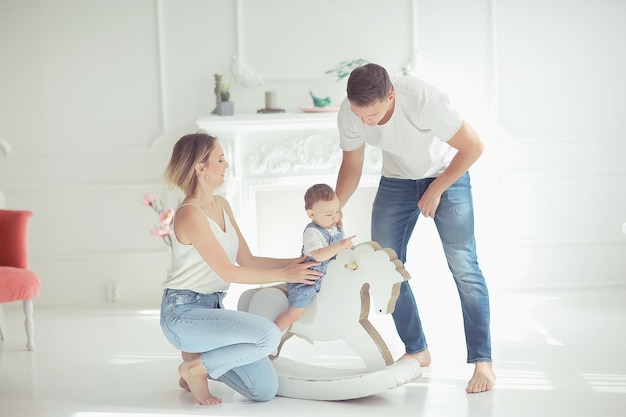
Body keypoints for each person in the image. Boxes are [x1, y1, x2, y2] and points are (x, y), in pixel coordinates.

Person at [334, 63, 495, 393]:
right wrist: (335, 207)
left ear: (391, 95)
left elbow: (473, 146)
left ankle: (483, 362)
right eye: (359, 115)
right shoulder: (350, 112)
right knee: (385, 265)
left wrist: (436, 189)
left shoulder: (424, 100)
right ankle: (417, 349)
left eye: (373, 115)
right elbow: (352, 164)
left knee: (464, 266)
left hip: (446, 174)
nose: (365, 122)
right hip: (396, 180)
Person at [159, 133, 322, 405]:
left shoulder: (221, 205)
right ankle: (195, 369)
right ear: (200, 168)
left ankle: (198, 360)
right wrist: (286, 275)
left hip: (213, 310)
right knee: (269, 335)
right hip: (183, 314)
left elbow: (247, 260)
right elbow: (229, 272)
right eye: (220, 159)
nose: (226, 165)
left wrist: (298, 262)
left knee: (264, 390)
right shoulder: (190, 214)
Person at [274, 184, 355, 331]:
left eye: (337, 211)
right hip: (309, 279)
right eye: (329, 214)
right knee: (295, 314)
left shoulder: (335, 226)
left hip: (330, 275)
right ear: (312, 214)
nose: (335, 217)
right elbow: (318, 255)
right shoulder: (312, 232)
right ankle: (272, 334)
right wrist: (340, 245)